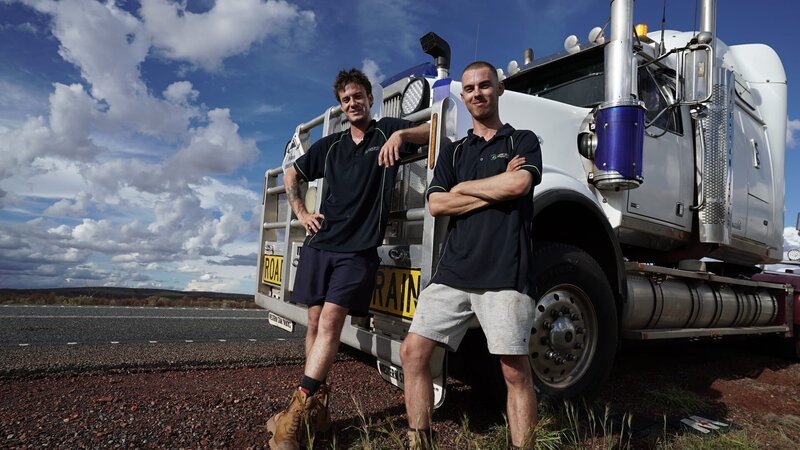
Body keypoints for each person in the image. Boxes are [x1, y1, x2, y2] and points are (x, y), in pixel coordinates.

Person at [266, 68, 430, 450]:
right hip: (320, 244)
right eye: (346, 99)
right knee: (312, 322)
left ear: (370, 99)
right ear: (341, 106)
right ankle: (316, 412)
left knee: (331, 321)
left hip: (357, 250)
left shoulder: (385, 130)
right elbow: (292, 173)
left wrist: (403, 134)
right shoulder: (332, 145)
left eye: (358, 96)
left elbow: (433, 133)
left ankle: (295, 413)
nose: (353, 103)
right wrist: (300, 213)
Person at [399, 61, 542, 449]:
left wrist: (463, 188)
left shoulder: (522, 141)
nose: (477, 93)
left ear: (499, 89)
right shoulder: (454, 149)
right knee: (413, 352)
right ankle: (420, 440)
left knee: (514, 372)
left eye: (484, 85)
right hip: (453, 273)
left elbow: (519, 184)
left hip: (505, 272)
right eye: (469, 88)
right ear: (462, 96)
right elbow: (436, 205)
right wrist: (486, 187)